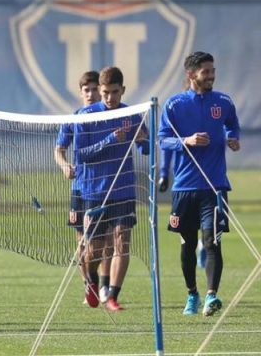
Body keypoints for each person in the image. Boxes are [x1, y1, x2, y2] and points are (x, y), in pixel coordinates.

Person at [158, 52, 240, 317]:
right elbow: (162, 140)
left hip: (215, 186)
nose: (212, 75)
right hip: (184, 188)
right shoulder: (174, 105)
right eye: (206, 72)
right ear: (191, 74)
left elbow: (232, 125)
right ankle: (192, 293)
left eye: (213, 70)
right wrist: (187, 141)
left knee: (212, 242)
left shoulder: (224, 102)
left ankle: (211, 296)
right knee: (187, 243)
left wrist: (232, 137)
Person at [70, 66, 148, 312]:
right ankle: (91, 283)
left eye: (114, 92)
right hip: (94, 192)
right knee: (93, 250)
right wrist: (112, 139)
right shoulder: (85, 115)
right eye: (105, 93)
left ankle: (113, 295)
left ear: (123, 90)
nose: (109, 98)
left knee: (122, 242)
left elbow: (145, 149)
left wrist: (143, 139)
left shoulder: (132, 114)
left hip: (124, 190)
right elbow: (81, 155)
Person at [54, 70, 113, 306]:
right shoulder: (74, 118)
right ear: (80, 93)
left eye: (94, 89)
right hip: (79, 189)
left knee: (105, 239)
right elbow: (59, 150)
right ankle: (88, 285)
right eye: (86, 90)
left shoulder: (107, 116)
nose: (90, 94)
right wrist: (64, 165)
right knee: (82, 241)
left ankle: (105, 284)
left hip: (101, 186)